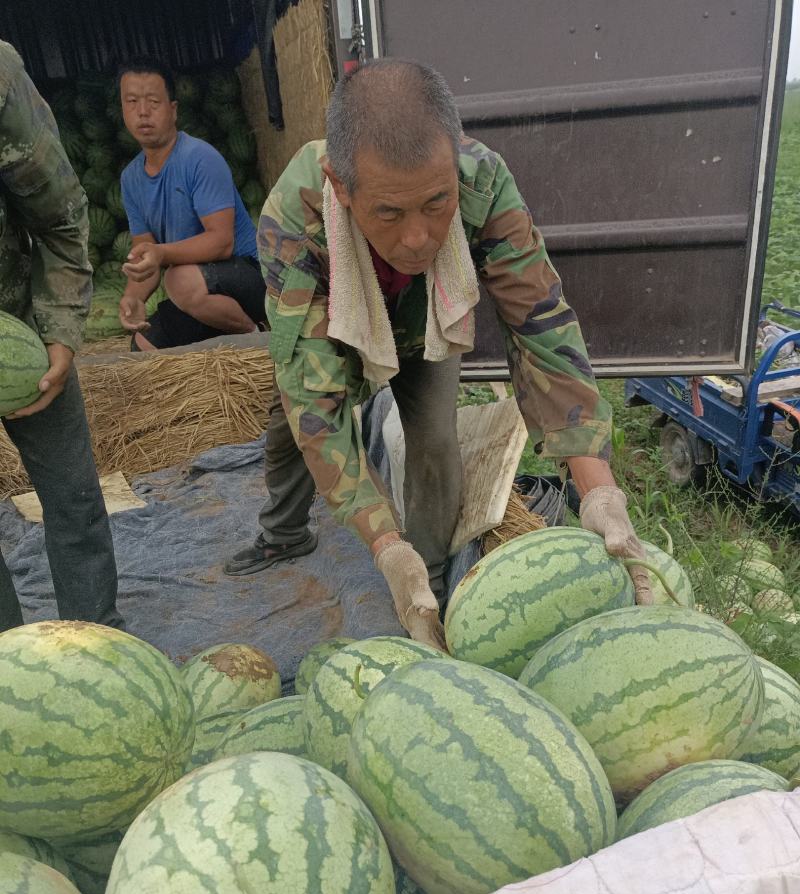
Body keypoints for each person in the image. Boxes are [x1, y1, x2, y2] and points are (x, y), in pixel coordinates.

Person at [226, 59, 651, 648]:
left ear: (454, 161)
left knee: (434, 441)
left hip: (429, 320)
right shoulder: (294, 221)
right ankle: (284, 531)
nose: (419, 238)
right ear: (340, 186)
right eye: (390, 213)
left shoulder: (482, 180)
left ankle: (427, 588)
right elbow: (315, 399)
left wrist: (598, 488)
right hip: (337, 324)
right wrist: (380, 541)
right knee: (295, 430)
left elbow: (541, 328)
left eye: (435, 204)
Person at [0, 41, 123, 632]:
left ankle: (98, 645)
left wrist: (59, 330)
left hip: (17, 317)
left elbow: (60, 214)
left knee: (73, 498)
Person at [116, 58, 265, 351]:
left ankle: (256, 335)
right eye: (132, 101)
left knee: (178, 279)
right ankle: (229, 335)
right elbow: (145, 257)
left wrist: (161, 253)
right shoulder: (130, 178)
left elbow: (222, 242)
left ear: (173, 110)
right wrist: (133, 298)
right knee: (143, 345)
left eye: (153, 102)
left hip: (246, 276)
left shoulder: (200, 158)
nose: (142, 112)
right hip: (200, 291)